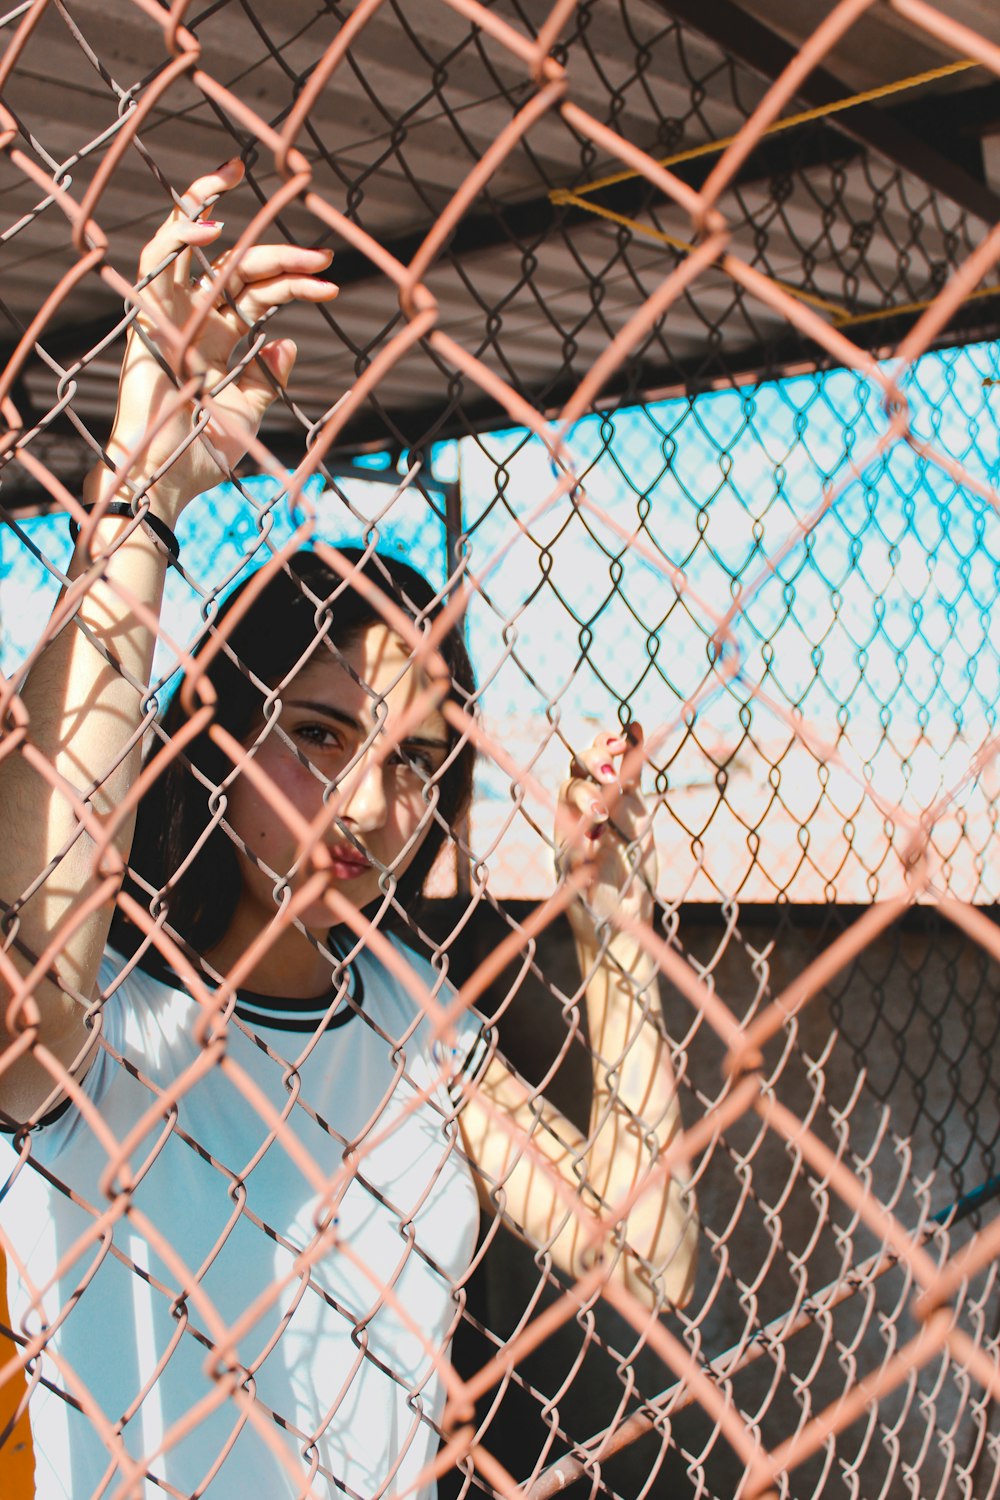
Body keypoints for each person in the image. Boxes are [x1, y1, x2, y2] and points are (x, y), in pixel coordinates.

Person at [0, 160, 698, 1499]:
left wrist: (612, 926)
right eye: (319, 738)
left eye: (420, 763)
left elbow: (645, 1257)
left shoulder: (419, 1027)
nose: (377, 806)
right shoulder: (95, 1024)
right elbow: (31, 985)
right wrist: (148, 487)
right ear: (210, 732)